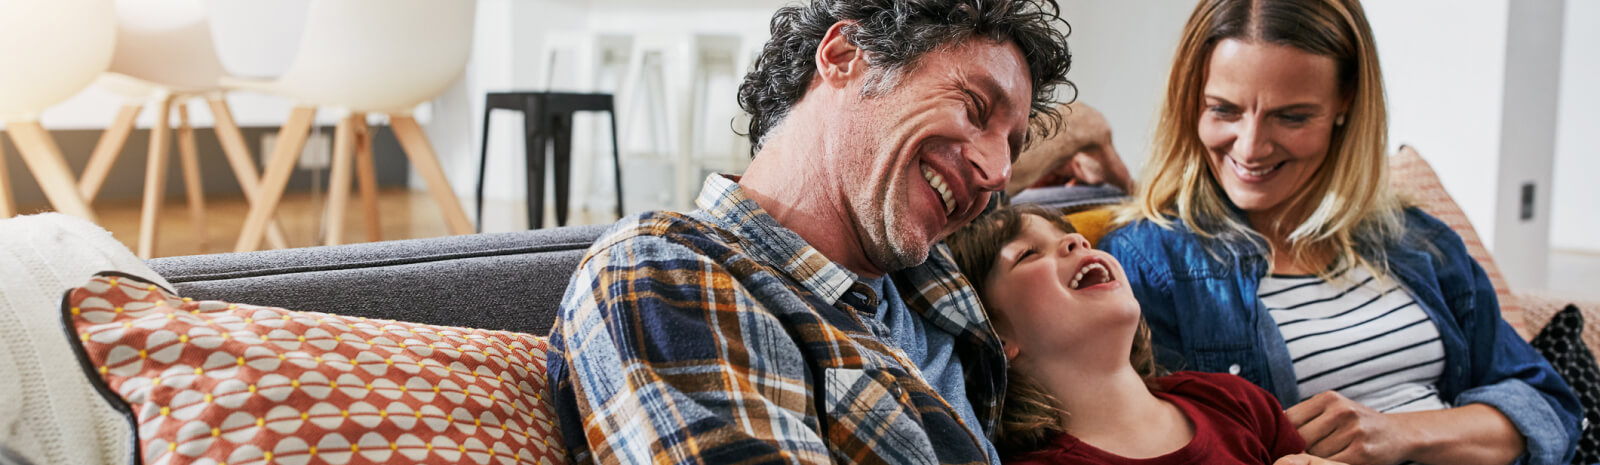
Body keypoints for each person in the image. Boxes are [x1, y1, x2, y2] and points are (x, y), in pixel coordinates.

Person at [544, 0, 1112, 463]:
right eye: (974, 106)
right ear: (844, 54)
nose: (999, 175)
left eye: (1011, 150)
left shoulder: (934, 284)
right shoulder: (664, 272)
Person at [1099, 0, 1583, 464]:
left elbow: (1546, 408)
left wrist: (1398, 434)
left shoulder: (1415, 239)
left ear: (1345, 104)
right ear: (1190, 103)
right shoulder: (1148, 264)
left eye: (1291, 116)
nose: (1250, 147)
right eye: (1224, 109)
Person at [945, 205, 1342, 465]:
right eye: (1028, 253)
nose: (1077, 240)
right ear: (993, 337)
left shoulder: (1232, 399)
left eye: (1071, 237)